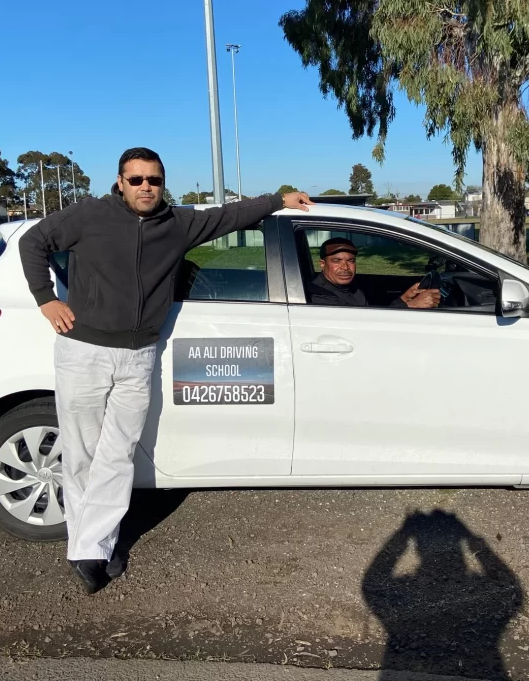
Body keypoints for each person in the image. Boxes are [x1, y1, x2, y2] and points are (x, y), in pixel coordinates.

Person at [19, 146, 312, 593]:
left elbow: (228, 216)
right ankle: (88, 548)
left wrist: (277, 200)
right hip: (84, 350)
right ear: (120, 182)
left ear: (162, 182)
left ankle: (94, 544)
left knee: (118, 454)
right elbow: (32, 242)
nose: (145, 188)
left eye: (153, 180)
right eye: (135, 180)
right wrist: (46, 298)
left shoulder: (177, 224)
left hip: (139, 355)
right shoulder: (89, 216)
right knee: (81, 452)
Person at [305, 237, 441, 308]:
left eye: (351, 261)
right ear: (322, 264)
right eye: (336, 261)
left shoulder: (350, 287)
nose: (345, 267)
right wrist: (411, 305)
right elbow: (361, 325)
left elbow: (370, 316)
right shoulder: (319, 295)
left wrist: (404, 299)